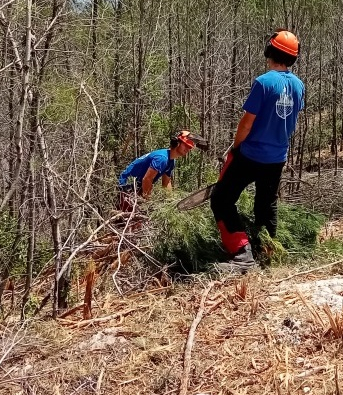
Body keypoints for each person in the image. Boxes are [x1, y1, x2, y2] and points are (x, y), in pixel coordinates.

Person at [211, 29, 304, 274]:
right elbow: (291, 118)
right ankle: (268, 252)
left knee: (221, 199)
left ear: (270, 51)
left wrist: (236, 146)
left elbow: (247, 122)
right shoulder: (298, 85)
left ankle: (242, 255)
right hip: (277, 157)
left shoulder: (263, 82)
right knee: (266, 204)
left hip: (251, 154)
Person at [118, 130, 208, 209]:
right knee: (134, 221)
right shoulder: (162, 158)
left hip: (138, 187)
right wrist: (147, 201)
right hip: (127, 186)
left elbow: (166, 183)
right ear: (178, 143)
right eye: (186, 146)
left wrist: (171, 201)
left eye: (189, 147)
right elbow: (147, 179)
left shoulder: (171, 161)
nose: (188, 149)